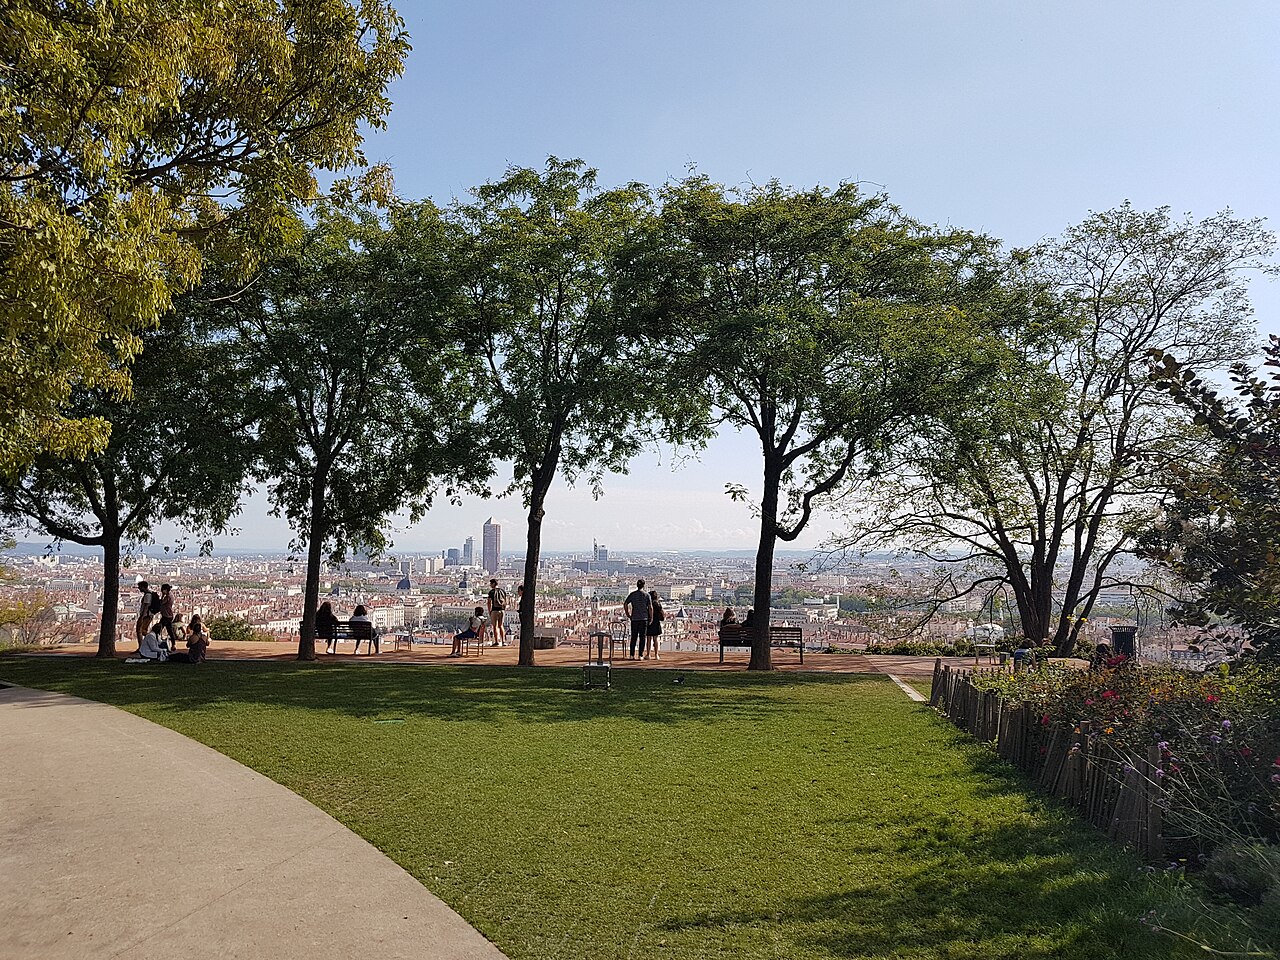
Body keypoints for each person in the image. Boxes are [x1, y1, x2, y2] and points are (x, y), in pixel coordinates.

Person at [624, 579, 652, 660]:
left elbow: (625, 603)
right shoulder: (647, 595)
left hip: (634, 618)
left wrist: (627, 614)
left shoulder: (632, 594)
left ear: (637, 585)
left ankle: (632, 655)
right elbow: (650, 607)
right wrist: (651, 617)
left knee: (634, 637)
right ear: (643, 585)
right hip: (644, 618)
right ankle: (640, 655)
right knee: (642, 637)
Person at [135, 581, 159, 645]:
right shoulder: (149, 594)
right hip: (148, 615)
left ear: (143, 587)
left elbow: (147, 606)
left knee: (140, 630)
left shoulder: (147, 595)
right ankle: (152, 642)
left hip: (146, 615)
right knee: (143, 631)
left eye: (140, 587)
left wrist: (142, 616)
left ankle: (143, 645)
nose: (139, 588)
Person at [487, 579, 508, 646]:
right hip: (502, 610)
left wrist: (489, 611)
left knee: (495, 626)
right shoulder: (502, 591)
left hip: (494, 610)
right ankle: (503, 641)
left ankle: (496, 641)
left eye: (491, 584)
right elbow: (506, 601)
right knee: (501, 625)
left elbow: (489, 602)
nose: (490, 585)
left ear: (493, 584)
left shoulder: (491, 592)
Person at [158, 583, 180, 648]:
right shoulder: (171, 595)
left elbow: (161, 602)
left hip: (166, 615)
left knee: (159, 629)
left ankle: (158, 642)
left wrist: (162, 596)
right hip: (169, 615)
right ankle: (173, 644)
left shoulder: (168, 597)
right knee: (169, 630)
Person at [646, 590, 664, 660]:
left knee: (649, 639)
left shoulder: (648, 604)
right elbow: (662, 612)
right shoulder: (658, 604)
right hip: (656, 622)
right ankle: (656, 654)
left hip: (650, 621)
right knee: (655, 639)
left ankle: (648, 654)